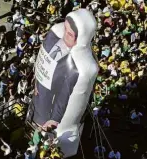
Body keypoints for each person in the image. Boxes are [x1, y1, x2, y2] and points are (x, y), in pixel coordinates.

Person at [27, 9, 98, 158]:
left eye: (70, 34)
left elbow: (65, 95)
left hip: (50, 113)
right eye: (66, 29)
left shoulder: (81, 66)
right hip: (38, 96)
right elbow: (42, 62)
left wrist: (54, 119)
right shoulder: (54, 35)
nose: (65, 34)